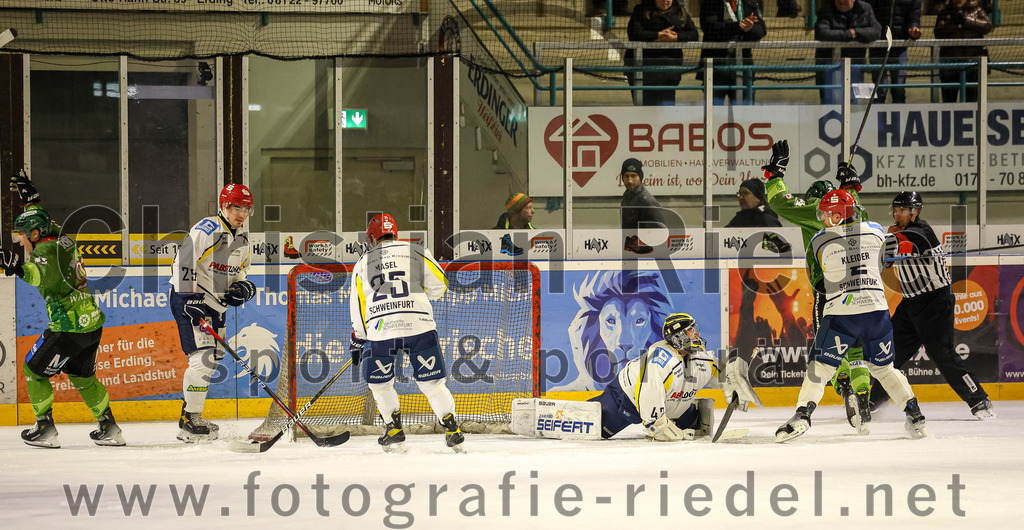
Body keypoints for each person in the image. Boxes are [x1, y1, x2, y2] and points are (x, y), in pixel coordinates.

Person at [776, 188, 927, 442]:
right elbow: (884, 262)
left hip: (842, 314)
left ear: (837, 215)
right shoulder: (877, 230)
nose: (822, 219)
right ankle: (915, 416)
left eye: (826, 214)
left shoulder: (819, 240)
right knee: (884, 369)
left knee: (820, 368)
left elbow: (821, 280)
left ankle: (802, 416)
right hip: (877, 313)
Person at [1, 171, 124, 448]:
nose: (19, 241)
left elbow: (35, 275)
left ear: (35, 234)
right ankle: (109, 428)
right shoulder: (63, 239)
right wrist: (31, 201)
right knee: (84, 378)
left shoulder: (44, 252)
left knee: (33, 370)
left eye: (21, 235)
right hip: (91, 324)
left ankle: (44, 428)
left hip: (68, 328)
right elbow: (45, 222)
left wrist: (16, 266)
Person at [764, 142, 874, 431]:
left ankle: (844, 382)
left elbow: (781, 203)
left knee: (828, 351)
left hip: (829, 293)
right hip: (864, 292)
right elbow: (851, 197)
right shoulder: (857, 211)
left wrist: (775, 174)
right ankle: (863, 393)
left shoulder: (817, 211)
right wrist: (851, 180)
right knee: (857, 353)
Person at [869, 191, 995, 418]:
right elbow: (887, 260)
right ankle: (875, 401)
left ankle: (979, 400)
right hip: (910, 304)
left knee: (943, 354)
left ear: (915, 212)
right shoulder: (901, 232)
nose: (897, 214)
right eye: (895, 210)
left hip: (935, 303)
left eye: (902, 210)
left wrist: (886, 237)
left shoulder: (922, 233)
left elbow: (901, 244)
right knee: (890, 354)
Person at [348, 213, 465, 453]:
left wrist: (358, 338)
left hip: (381, 326)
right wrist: (420, 298)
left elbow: (358, 306)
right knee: (432, 383)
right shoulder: (416, 250)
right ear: (396, 232)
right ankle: (452, 428)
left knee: (380, 385)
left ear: (371, 238)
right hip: (418, 322)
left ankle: (394, 429)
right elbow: (441, 283)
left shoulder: (362, 262)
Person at [169, 183, 257, 443]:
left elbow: (240, 274)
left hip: (216, 306)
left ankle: (189, 416)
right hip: (191, 301)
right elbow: (183, 261)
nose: (241, 214)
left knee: (211, 361)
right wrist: (188, 297)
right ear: (224, 206)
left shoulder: (242, 240)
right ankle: (190, 420)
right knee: (202, 359)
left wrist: (243, 287)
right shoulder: (207, 229)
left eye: (246, 209)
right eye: (236, 207)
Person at [589, 313, 759, 440]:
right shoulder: (657, 362)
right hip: (625, 400)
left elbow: (726, 376)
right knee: (592, 426)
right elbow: (652, 416)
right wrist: (662, 428)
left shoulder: (702, 358)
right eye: (691, 331)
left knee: (695, 425)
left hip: (671, 405)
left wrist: (737, 384)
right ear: (679, 337)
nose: (697, 334)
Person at [625, 0, 700, 106]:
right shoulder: (640, 11)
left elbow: (694, 34)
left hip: (669, 71)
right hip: (643, 70)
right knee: (644, 109)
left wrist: (675, 37)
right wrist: (658, 35)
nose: (666, 1)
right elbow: (635, 33)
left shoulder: (680, 12)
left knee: (666, 108)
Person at [698, 0, 767, 105]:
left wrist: (751, 28)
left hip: (743, 67)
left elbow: (761, 30)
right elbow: (710, 28)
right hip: (715, 68)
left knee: (745, 114)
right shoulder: (709, 3)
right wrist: (739, 26)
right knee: (713, 112)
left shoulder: (750, 3)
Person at [814, 0, 881, 104]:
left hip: (855, 65)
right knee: (828, 101)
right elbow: (821, 32)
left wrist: (856, 33)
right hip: (829, 65)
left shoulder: (865, 8)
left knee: (853, 101)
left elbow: (876, 31)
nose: (841, 1)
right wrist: (848, 35)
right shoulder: (826, 9)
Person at [934, 0, 992, 103]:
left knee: (971, 102)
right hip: (950, 65)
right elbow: (938, 32)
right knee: (948, 103)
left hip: (972, 64)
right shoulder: (945, 11)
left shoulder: (976, 8)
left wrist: (966, 20)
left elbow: (987, 26)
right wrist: (955, 24)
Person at [868, 0, 922, 103]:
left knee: (899, 89)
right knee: (879, 90)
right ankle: (877, 117)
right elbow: (869, 14)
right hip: (877, 46)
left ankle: (898, 116)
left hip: (899, 47)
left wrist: (914, 29)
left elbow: (914, 16)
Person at [619, 157, 666, 254]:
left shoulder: (646, 201)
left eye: (633, 176)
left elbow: (662, 233)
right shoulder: (627, 197)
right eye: (626, 176)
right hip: (631, 253)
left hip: (645, 256)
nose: (630, 180)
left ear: (640, 177)